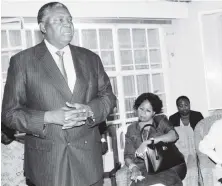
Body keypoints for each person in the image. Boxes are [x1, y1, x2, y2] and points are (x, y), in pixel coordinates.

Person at [1, 2, 116, 186]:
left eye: (69, 20)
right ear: (42, 27)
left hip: (89, 163)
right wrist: (49, 117)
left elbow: (108, 97)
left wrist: (89, 110)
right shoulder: (22, 62)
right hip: (47, 165)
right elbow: (9, 114)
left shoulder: (90, 58)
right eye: (60, 20)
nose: (68, 24)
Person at [121, 93, 186, 186]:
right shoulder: (132, 128)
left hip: (165, 166)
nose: (143, 113)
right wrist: (134, 168)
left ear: (154, 112)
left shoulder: (160, 120)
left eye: (148, 110)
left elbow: (174, 135)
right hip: (143, 168)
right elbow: (127, 156)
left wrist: (148, 142)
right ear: (137, 108)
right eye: (141, 109)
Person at [169, 96, 204, 186]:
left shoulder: (197, 115)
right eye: (181, 106)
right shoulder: (173, 118)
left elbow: (203, 133)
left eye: (186, 105)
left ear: (189, 105)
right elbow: (173, 138)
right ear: (177, 107)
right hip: (182, 148)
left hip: (196, 146)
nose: (184, 108)